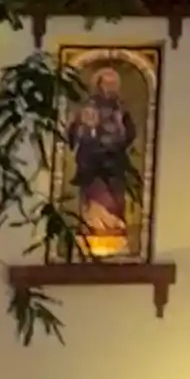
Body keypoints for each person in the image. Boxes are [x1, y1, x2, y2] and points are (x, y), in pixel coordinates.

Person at [67, 64, 139, 247]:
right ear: (98, 85)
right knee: (95, 193)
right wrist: (86, 128)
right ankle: (92, 226)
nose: (109, 88)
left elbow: (130, 133)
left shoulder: (121, 109)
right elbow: (74, 132)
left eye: (112, 84)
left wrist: (120, 132)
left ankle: (114, 227)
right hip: (91, 160)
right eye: (106, 84)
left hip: (114, 160)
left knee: (115, 195)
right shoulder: (88, 106)